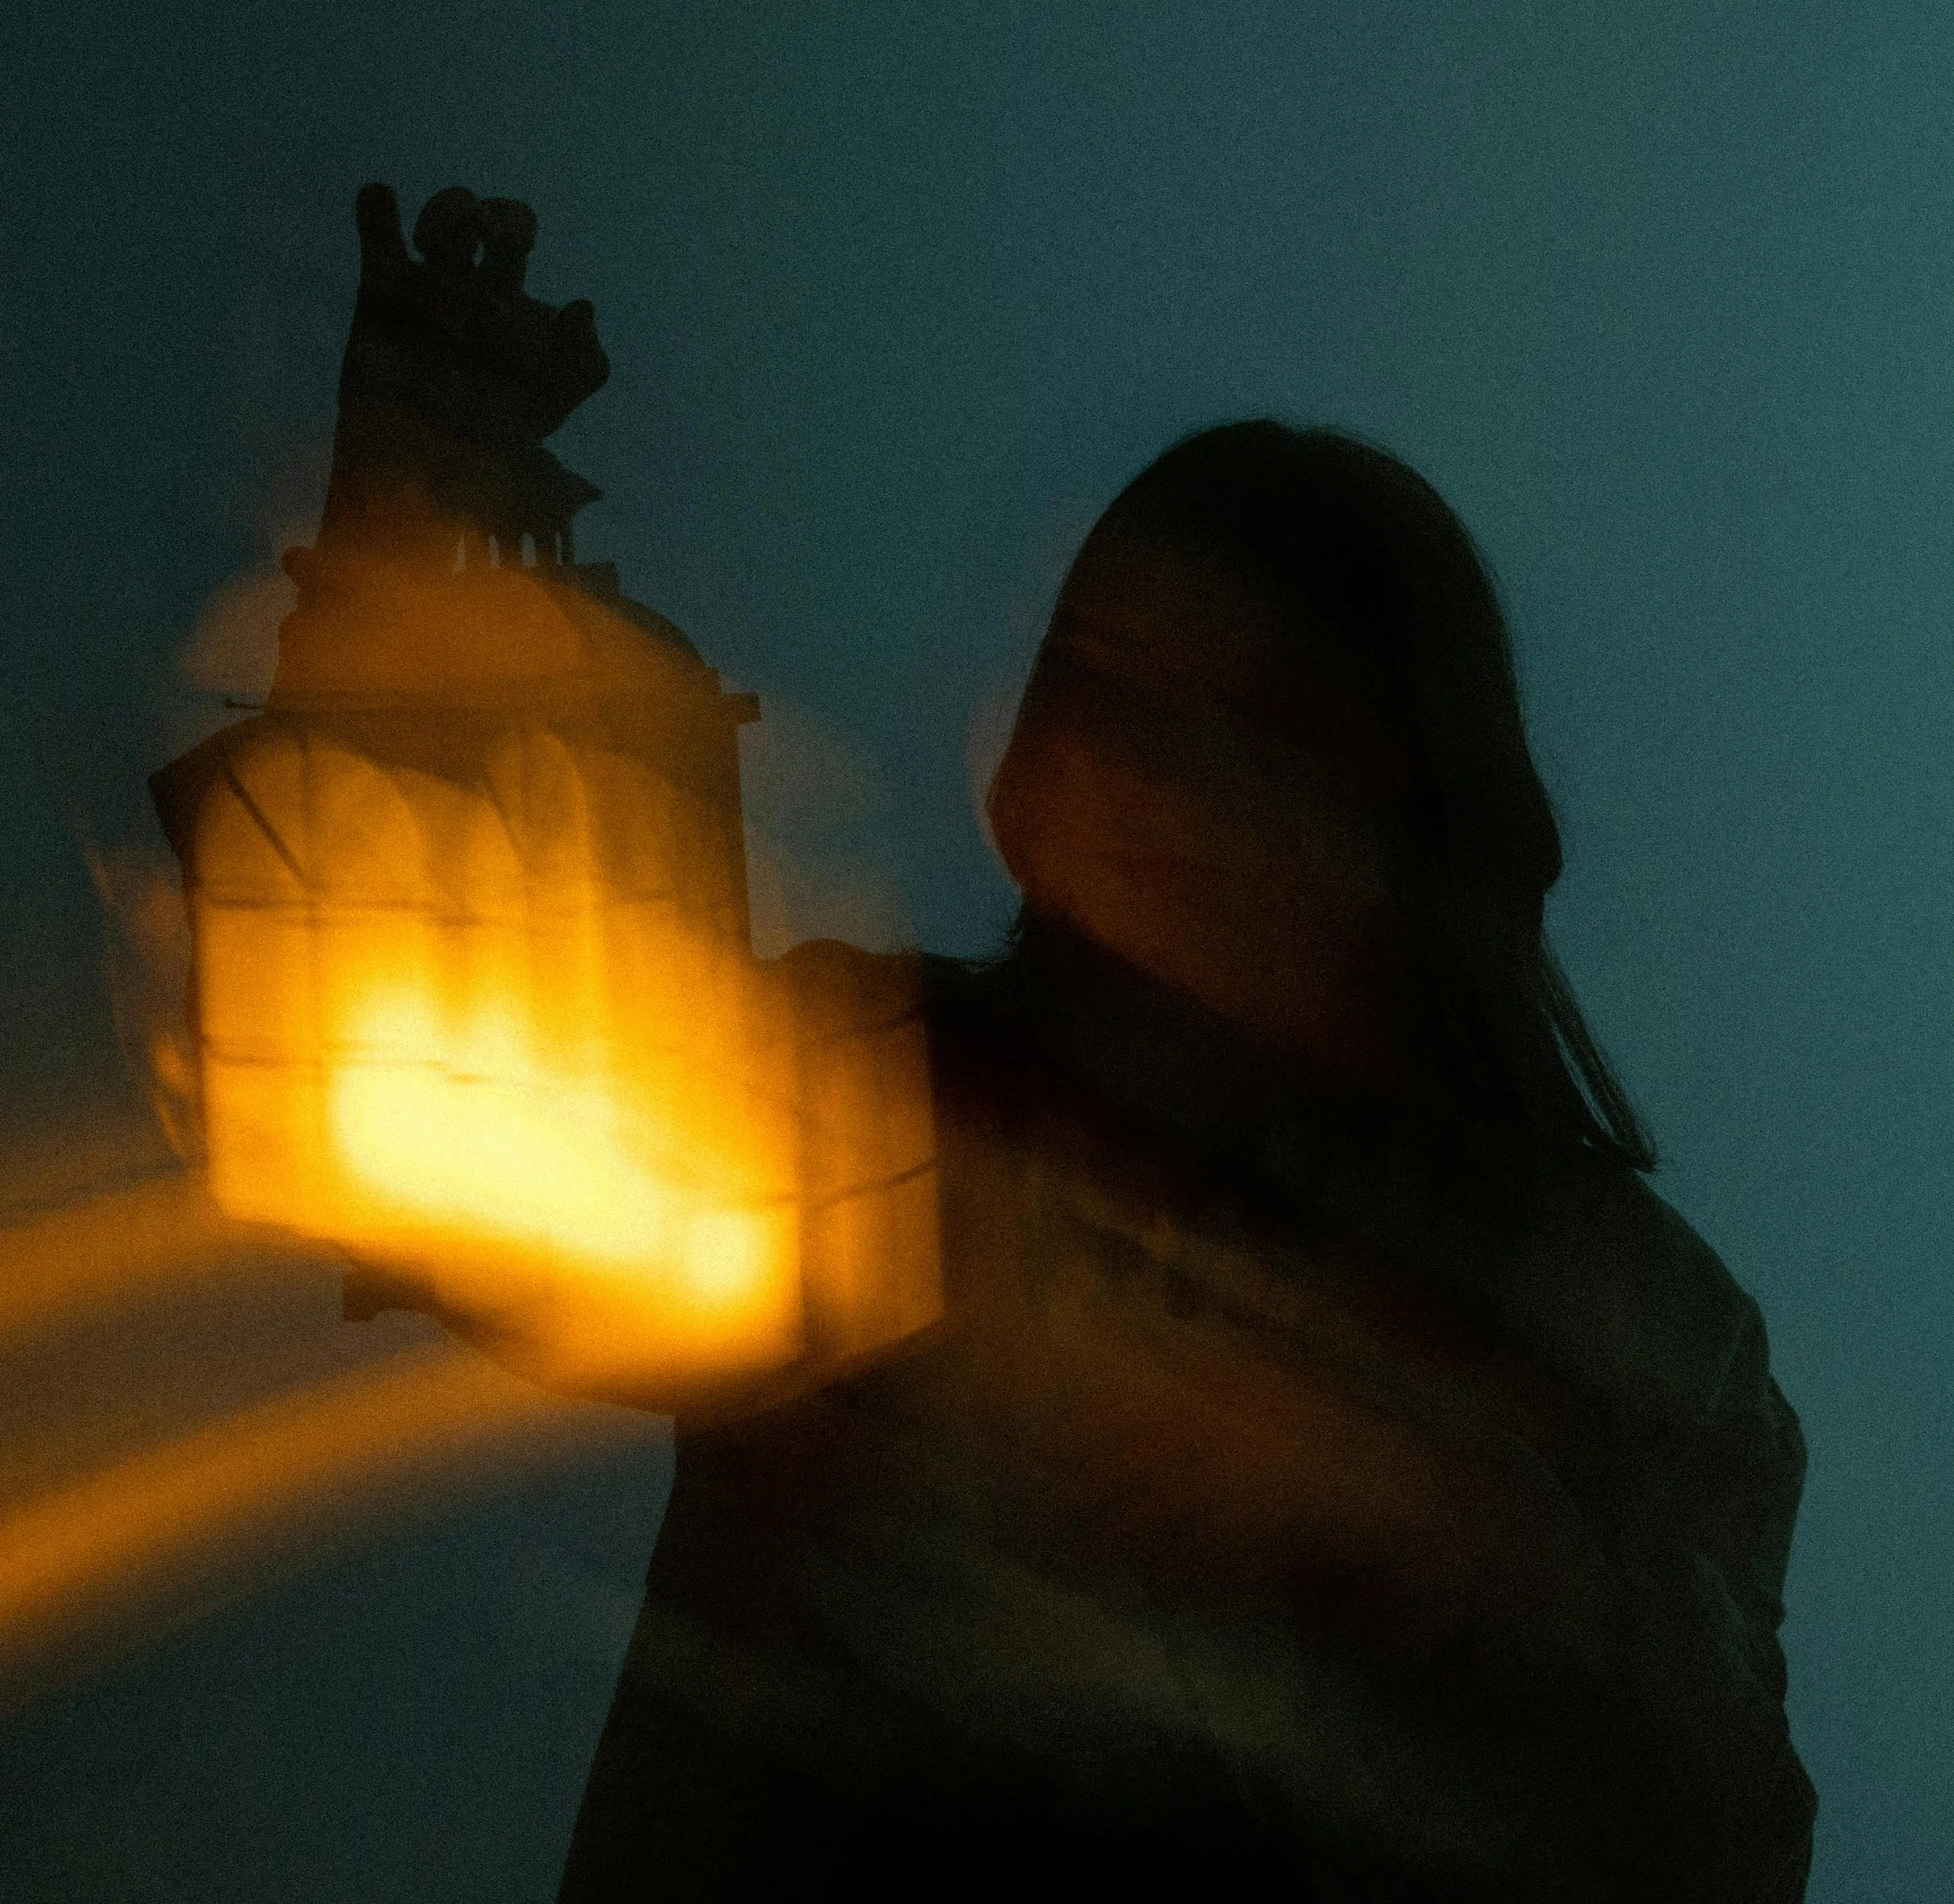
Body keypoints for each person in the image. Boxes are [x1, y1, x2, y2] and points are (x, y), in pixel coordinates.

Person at [551, 422, 1815, 1900]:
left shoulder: (1617, 1314)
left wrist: (1443, 1534)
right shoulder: (858, 1090)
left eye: (1267, 715)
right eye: (1107, 686)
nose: (1163, 771)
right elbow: (490, 1143)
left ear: (1411, 790)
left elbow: (1722, 1839)